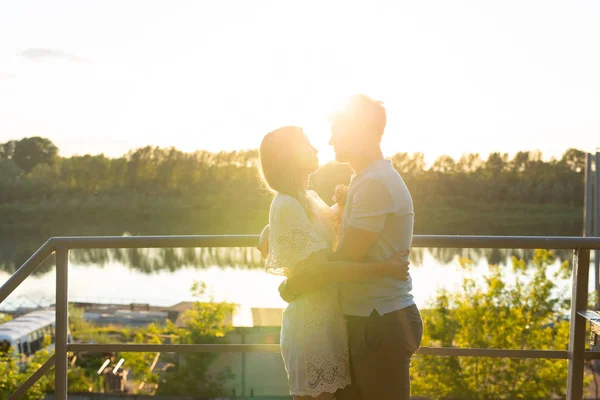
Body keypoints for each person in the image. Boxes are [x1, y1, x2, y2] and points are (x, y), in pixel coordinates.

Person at [278, 95, 423, 400]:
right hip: (370, 320)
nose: (330, 140)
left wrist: (294, 285)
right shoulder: (364, 179)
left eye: (338, 130)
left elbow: (343, 260)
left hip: (379, 321)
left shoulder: (374, 183)